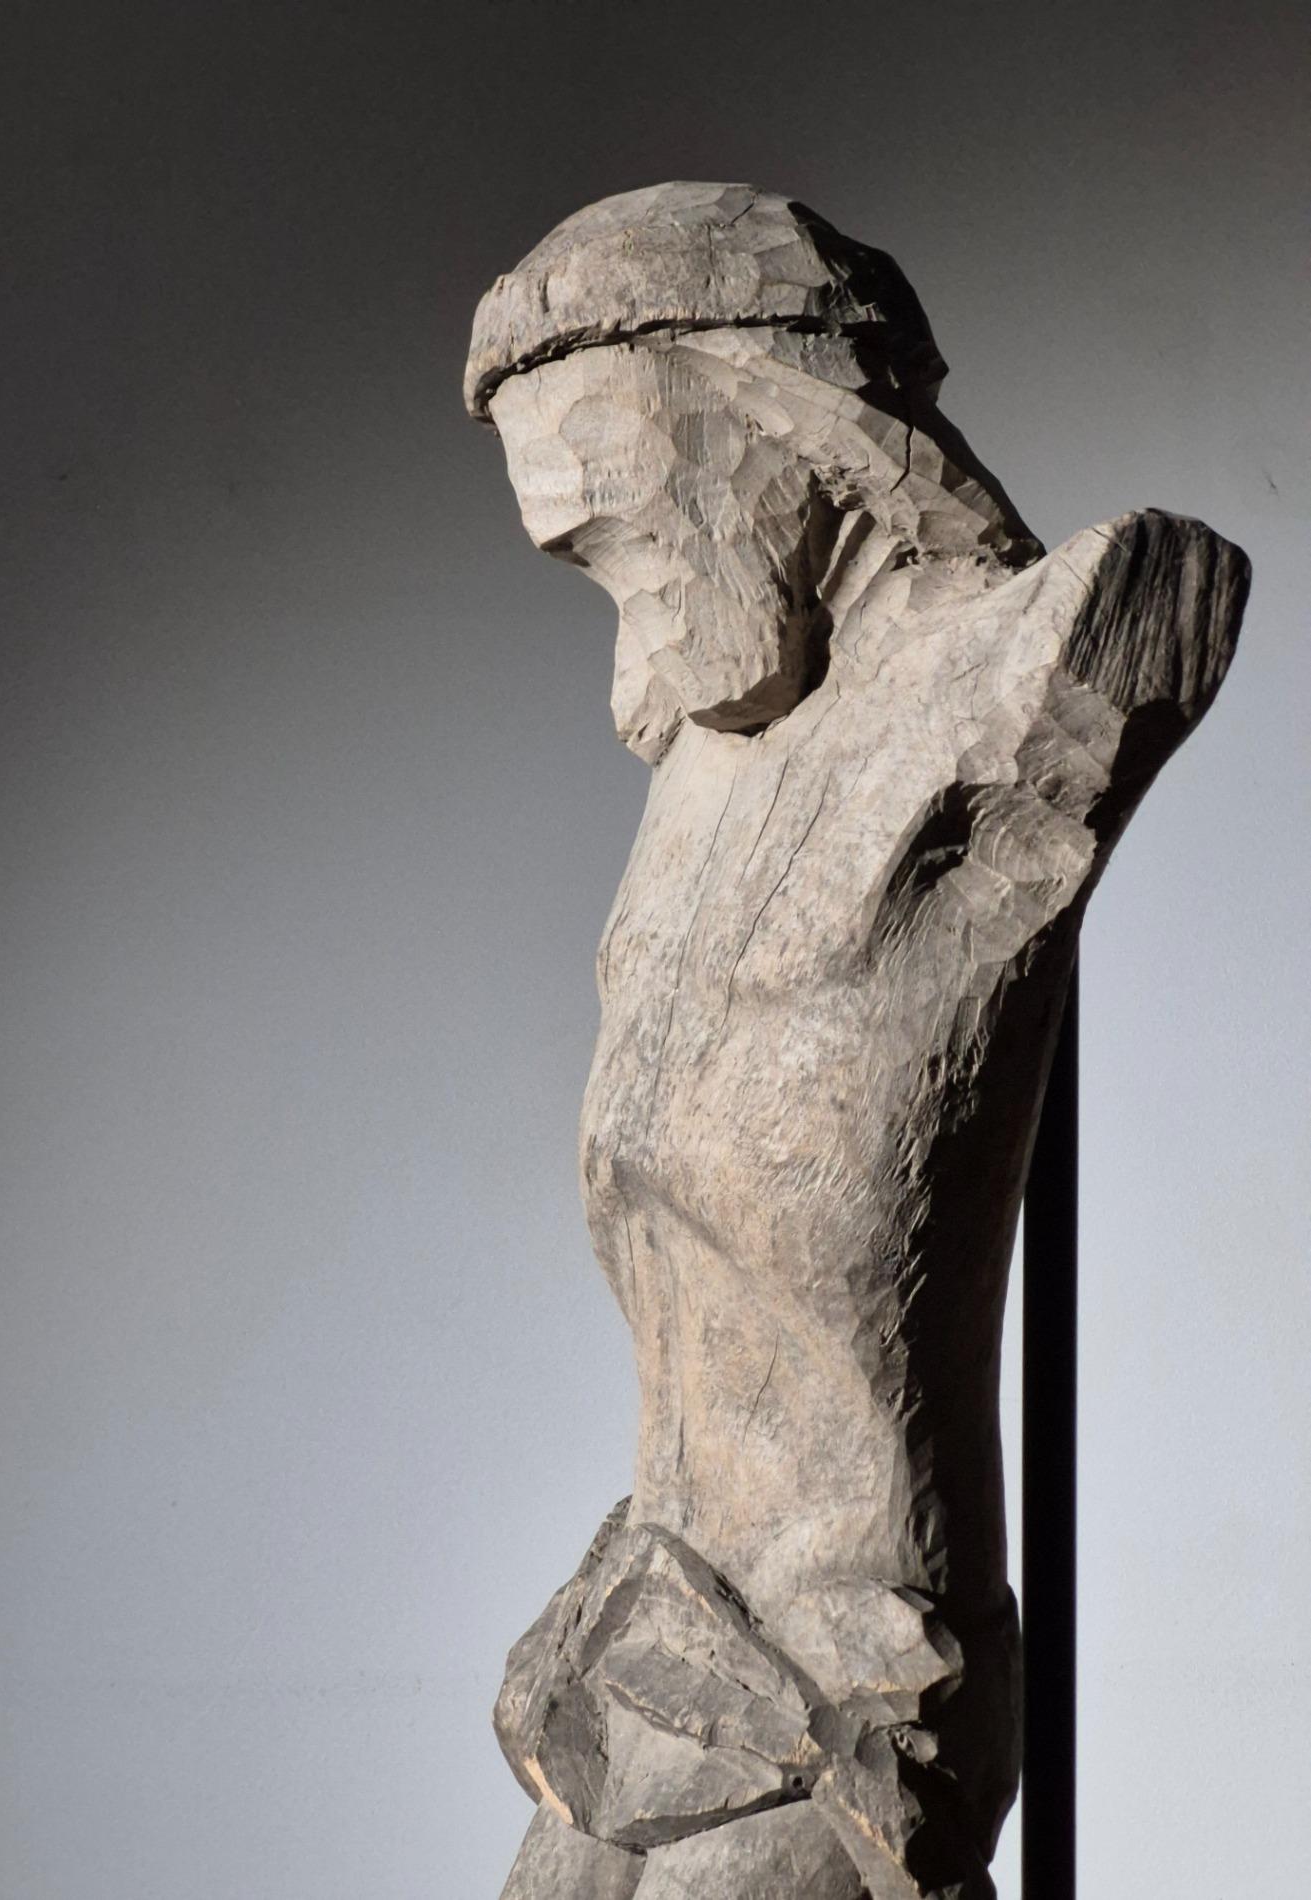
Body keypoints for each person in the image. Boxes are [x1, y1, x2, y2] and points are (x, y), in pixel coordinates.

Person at [465, 183, 1248, 1900]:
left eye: (621, 526)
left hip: (857, 1676)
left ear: (772, 410)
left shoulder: (1056, 651)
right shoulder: (712, 757)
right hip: (646, 1624)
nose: (609, 582)